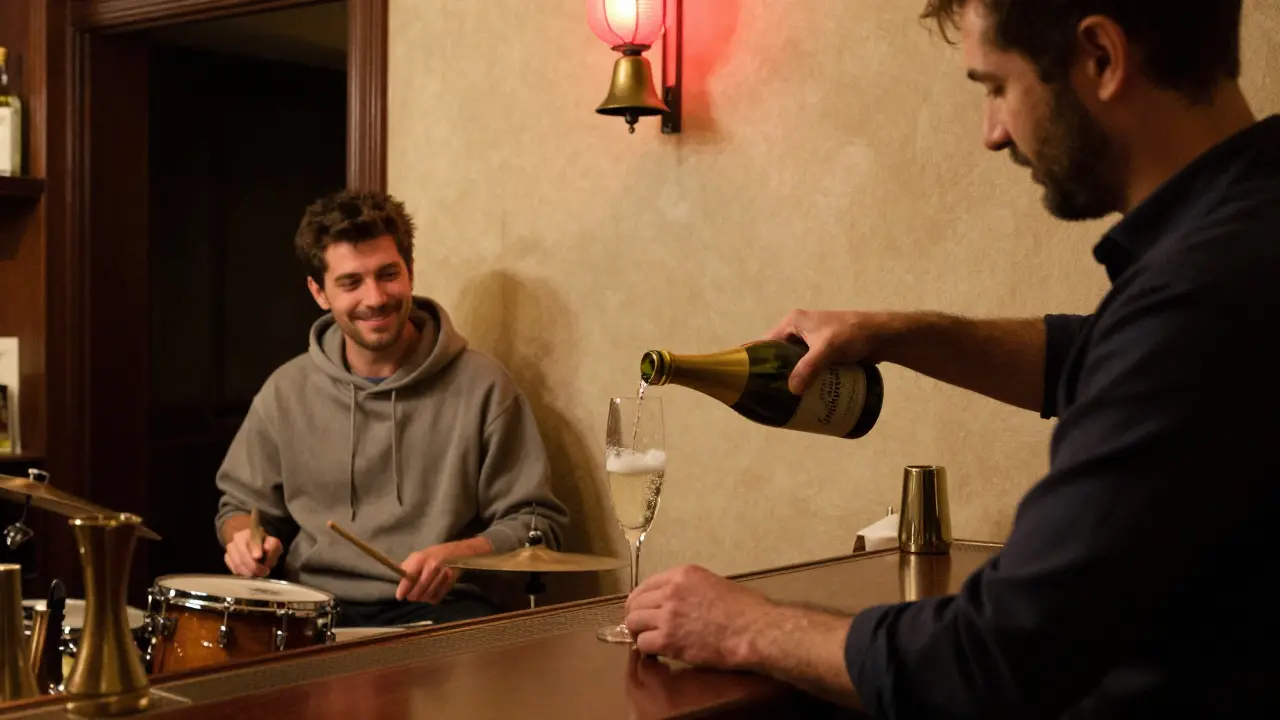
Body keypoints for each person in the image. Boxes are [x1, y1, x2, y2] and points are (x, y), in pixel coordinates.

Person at [624, 1, 1277, 717]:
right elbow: (1090, 357)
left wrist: (744, 627)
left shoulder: (1197, 300)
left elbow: (990, 660)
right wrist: (899, 334)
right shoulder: (1242, 239)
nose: (993, 133)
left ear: (1101, 58)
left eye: (996, 86)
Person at [214, 189, 569, 628]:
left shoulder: (484, 386)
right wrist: (244, 542)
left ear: (411, 272)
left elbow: (537, 524)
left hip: (445, 610)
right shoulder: (284, 391)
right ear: (318, 292)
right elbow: (240, 509)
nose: (376, 297)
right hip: (314, 610)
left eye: (388, 274)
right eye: (351, 282)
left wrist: (461, 554)